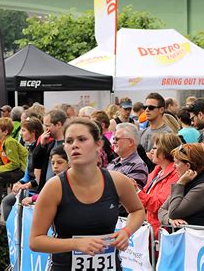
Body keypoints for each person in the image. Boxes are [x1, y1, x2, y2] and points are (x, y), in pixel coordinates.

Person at [29, 118, 145, 270]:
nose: (75, 145)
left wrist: (126, 231)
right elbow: (35, 241)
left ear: (98, 144)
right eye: (69, 141)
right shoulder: (55, 187)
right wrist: (76, 244)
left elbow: (137, 210)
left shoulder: (117, 181)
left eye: (82, 139)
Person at [158, 143, 204, 228]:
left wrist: (180, 184)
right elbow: (161, 210)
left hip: (199, 239)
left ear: (187, 166)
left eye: (176, 163)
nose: (173, 166)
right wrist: (169, 220)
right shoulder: (187, 180)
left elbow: (174, 213)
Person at [138, 133, 181, 239]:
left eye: (155, 148)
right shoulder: (157, 171)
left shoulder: (175, 174)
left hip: (160, 231)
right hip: (150, 228)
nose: (151, 151)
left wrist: (136, 192)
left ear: (165, 152)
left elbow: (158, 205)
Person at [1, 117, 43, 221]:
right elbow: (27, 174)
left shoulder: (40, 150)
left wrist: (24, 186)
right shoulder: (31, 148)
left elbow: (40, 178)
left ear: (33, 132)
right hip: (29, 189)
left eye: (23, 130)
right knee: (6, 201)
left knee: (8, 202)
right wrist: (19, 182)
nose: (21, 133)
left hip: (37, 191)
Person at [33, 109, 67, 191]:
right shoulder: (49, 143)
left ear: (58, 124)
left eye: (48, 126)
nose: (46, 130)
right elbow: (36, 163)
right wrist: (41, 145)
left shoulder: (68, 144)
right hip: (47, 188)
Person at [108, 123, 148, 189]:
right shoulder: (113, 162)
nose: (113, 142)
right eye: (114, 138)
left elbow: (128, 194)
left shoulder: (138, 166)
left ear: (130, 142)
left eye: (117, 139)